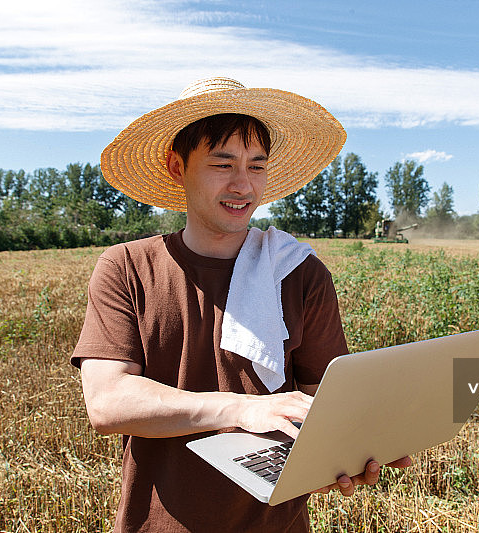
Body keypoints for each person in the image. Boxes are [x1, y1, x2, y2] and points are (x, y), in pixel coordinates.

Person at [71, 77, 410, 532]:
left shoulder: (299, 273)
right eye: (222, 163)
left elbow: (318, 405)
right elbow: (109, 402)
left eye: (257, 165)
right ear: (177, 167)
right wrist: (240, 408)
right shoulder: (127, 267)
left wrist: (347, 450)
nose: (243, 185)